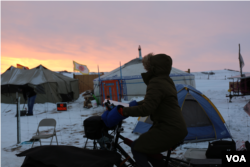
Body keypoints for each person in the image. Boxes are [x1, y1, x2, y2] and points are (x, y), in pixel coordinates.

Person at [117, 53, 188, 167]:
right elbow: (151, 101)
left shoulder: (156, 83)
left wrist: (123, 111)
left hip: (169, 129)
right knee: (148, 149)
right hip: (174, 128)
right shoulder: (166, 80)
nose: (145, 69)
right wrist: (128, 106)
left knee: (137, 147)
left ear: (153, 68)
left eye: (147, 67)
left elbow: (146, 109)